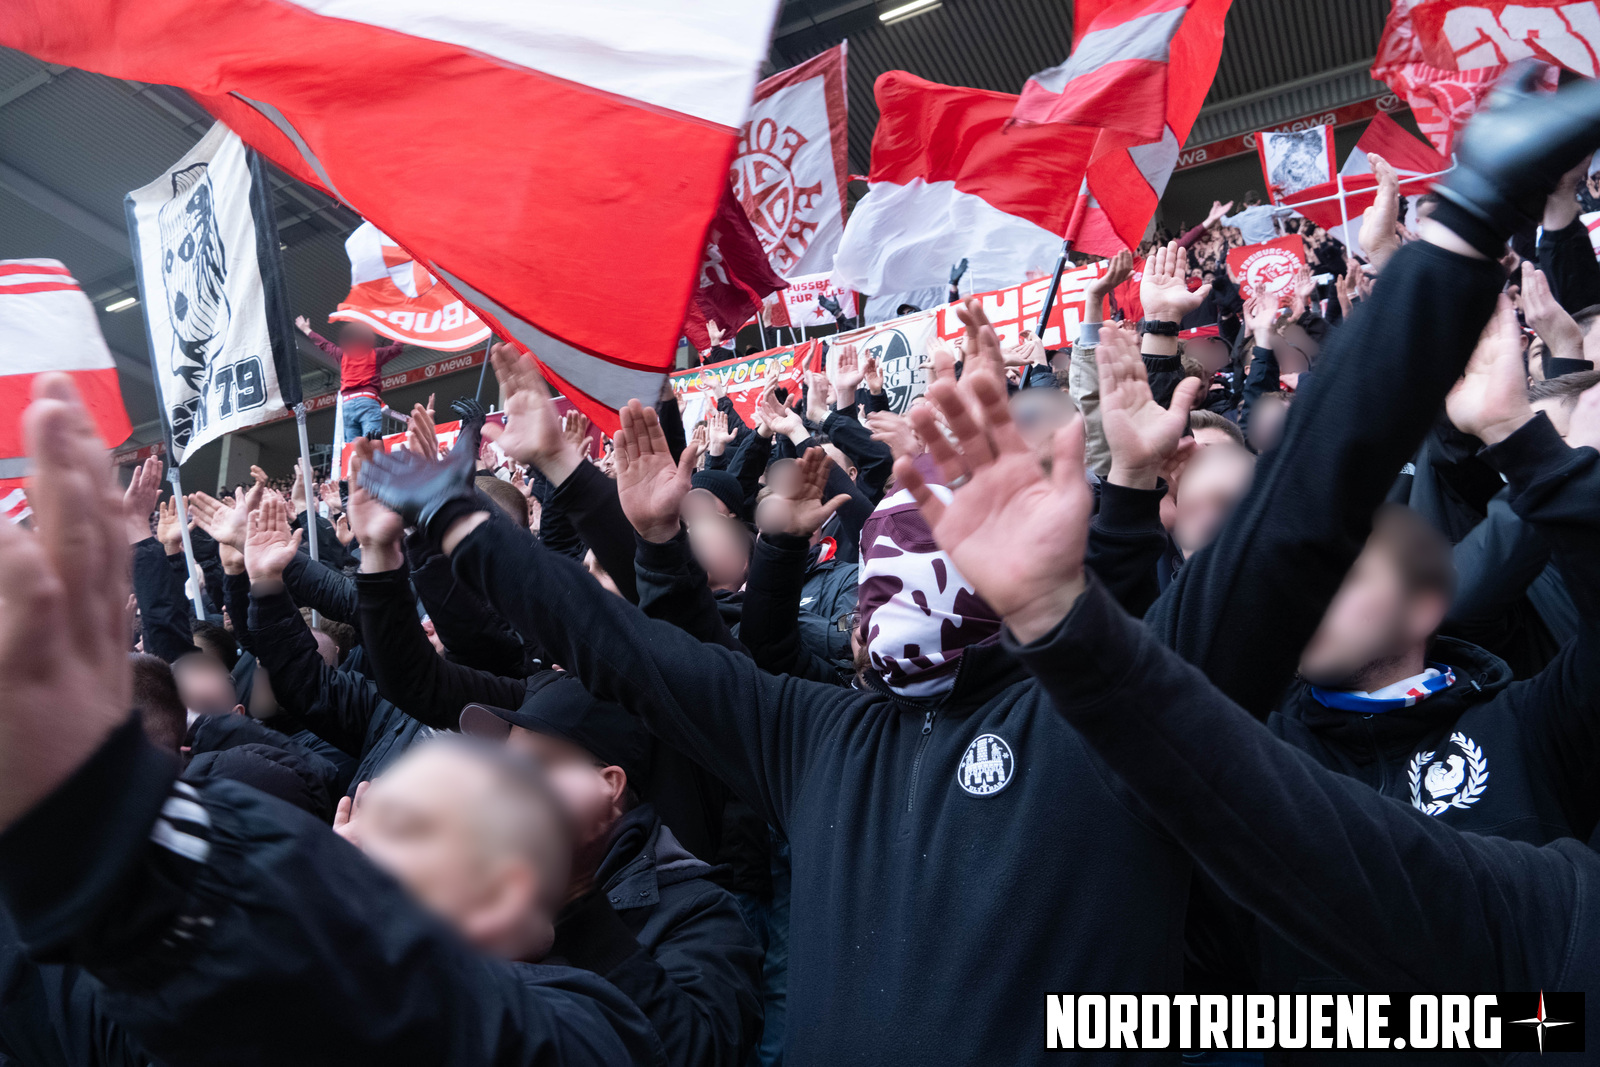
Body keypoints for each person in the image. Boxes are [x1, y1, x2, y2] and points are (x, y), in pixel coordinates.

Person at [360, 339, 1196, 1067]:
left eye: (943, 563)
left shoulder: (1094, 722)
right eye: (887, 575)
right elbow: (621, 648)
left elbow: (1247, 575)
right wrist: (455, 518)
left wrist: (1126, 490)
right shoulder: (817, 733)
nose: (898, 604)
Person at [882, 349, 1600, 1054]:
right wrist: (1129, 487)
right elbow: (1128, 704)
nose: (1311, 592)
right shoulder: (1255, 750)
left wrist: (1519, 437)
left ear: (1423, 605)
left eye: (1344, 574)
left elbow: (1558, 1011)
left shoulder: (1529, 723)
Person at [0, 374, 662, 1067]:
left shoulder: (592, 1028)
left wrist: (90, 818)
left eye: (403, 828)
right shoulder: (392, 735)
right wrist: (261, 577)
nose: (351, 838)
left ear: (504, 890)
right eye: (363, 814)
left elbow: (393, 1002)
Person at [460, 679, 764, 1067]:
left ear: (609, 785)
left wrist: (576, 903)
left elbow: (697, 1052)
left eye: (533, 768)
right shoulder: (485, 885)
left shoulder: (702, 911)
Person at [295, 315, 405, 442]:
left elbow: (324, 345)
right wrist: (401, 330)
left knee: (353, 450)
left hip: (347, 404)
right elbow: (397, 349)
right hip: (367, 401)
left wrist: (306, 330)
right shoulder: (376, 354)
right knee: (372, 445)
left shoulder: (342, 354)